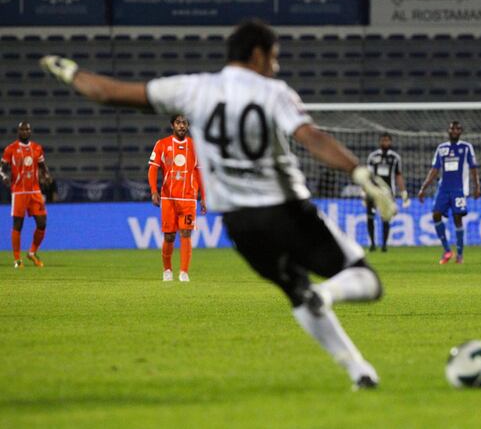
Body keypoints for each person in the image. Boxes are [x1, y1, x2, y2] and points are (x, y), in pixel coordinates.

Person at [40, 19, 396, 389]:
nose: (275, 67)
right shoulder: (274, 92)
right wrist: (358, 173)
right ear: (257, 55)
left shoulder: (192, 89)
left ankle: (360, 371)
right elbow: (312, 138)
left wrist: (71, 72)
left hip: (240, 226)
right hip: (285, 211)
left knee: (296, 294)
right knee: (366, 280)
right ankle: (325, 294)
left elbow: (109, 93)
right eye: (274, 58)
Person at [148, 114, 207, 282]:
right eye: (178, 123)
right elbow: (153, 169)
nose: (181, 125)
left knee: (186, 233)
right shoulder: (162, 144)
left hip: (188, 198)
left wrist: (203, 196)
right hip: (168, 198)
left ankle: (184, 272)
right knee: (169, 236)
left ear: (188, 126)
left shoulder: (195, 146)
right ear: (172, 125)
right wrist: (154, 191)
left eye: (184, 123)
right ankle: (167, 270)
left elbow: (199, 172)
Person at [417, 121, 480, 264]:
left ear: (461, 131)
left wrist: (477, 186)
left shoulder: (466, 147)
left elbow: (473, 168)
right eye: (452, 128)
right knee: (436, 214)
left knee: (458, 218)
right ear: (449, 130)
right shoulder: (441, 148)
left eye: (458, 129)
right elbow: (434, 170)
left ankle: (460, 254)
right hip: (443, 188)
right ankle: (447, 250)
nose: (455, 131)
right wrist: (423, 188)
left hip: (459, 188)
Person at [1, 121, 52, 268]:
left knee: (42, 223)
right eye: (22, 129)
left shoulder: (37, 148)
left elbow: (43, 166)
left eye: (27, 129)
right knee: (18, 225)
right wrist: (4, 177)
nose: (24, 132)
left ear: (30, 132)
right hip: (19, 191)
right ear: (18, 132)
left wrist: (47, 175)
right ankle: (17, 260)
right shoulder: (11, 149)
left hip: (35, 191)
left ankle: (32, 253)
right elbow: (2, 168)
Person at [365, 132, 409, 252]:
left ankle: (384, 245)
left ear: (390, 142)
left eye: (387, 140)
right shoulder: (372, 157)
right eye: (383, 140)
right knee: (370, 217)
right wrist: (364, 192)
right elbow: (368, 175)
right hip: (373, 192)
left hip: (388, 193)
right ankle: (373, 244)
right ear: (379, 142)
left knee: (386, 217)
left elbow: (398, 175)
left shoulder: (395, 158)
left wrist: (403, 191)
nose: (385, 142)